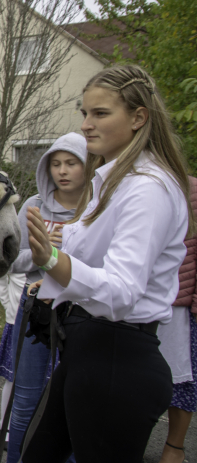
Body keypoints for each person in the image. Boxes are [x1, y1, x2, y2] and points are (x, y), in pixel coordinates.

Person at [22, 65, 194, 462]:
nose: (85, 125)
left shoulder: (147, 188)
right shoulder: (112, 181)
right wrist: (48, 280)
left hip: (117, 356)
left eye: (100, 114)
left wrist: (50, 260)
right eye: (84, 113)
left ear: (138, 118)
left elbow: (120, 291)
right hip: (90, 349)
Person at [0, 132, 86, 463]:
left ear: (87, 167)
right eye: (56, 164)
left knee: (76, 402)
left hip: (81, 315)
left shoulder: (99, 208)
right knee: (25, 399)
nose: (62, 171)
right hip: (36, 311)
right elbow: (10, 262)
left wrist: (66, 250)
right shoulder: (33, 206)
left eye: (71, 163)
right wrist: (41, 252)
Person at [158, 175, 197, 463]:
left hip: (178, 303)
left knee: (181, 380)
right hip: (132, 299)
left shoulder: (192, 190)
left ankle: (175, 446)